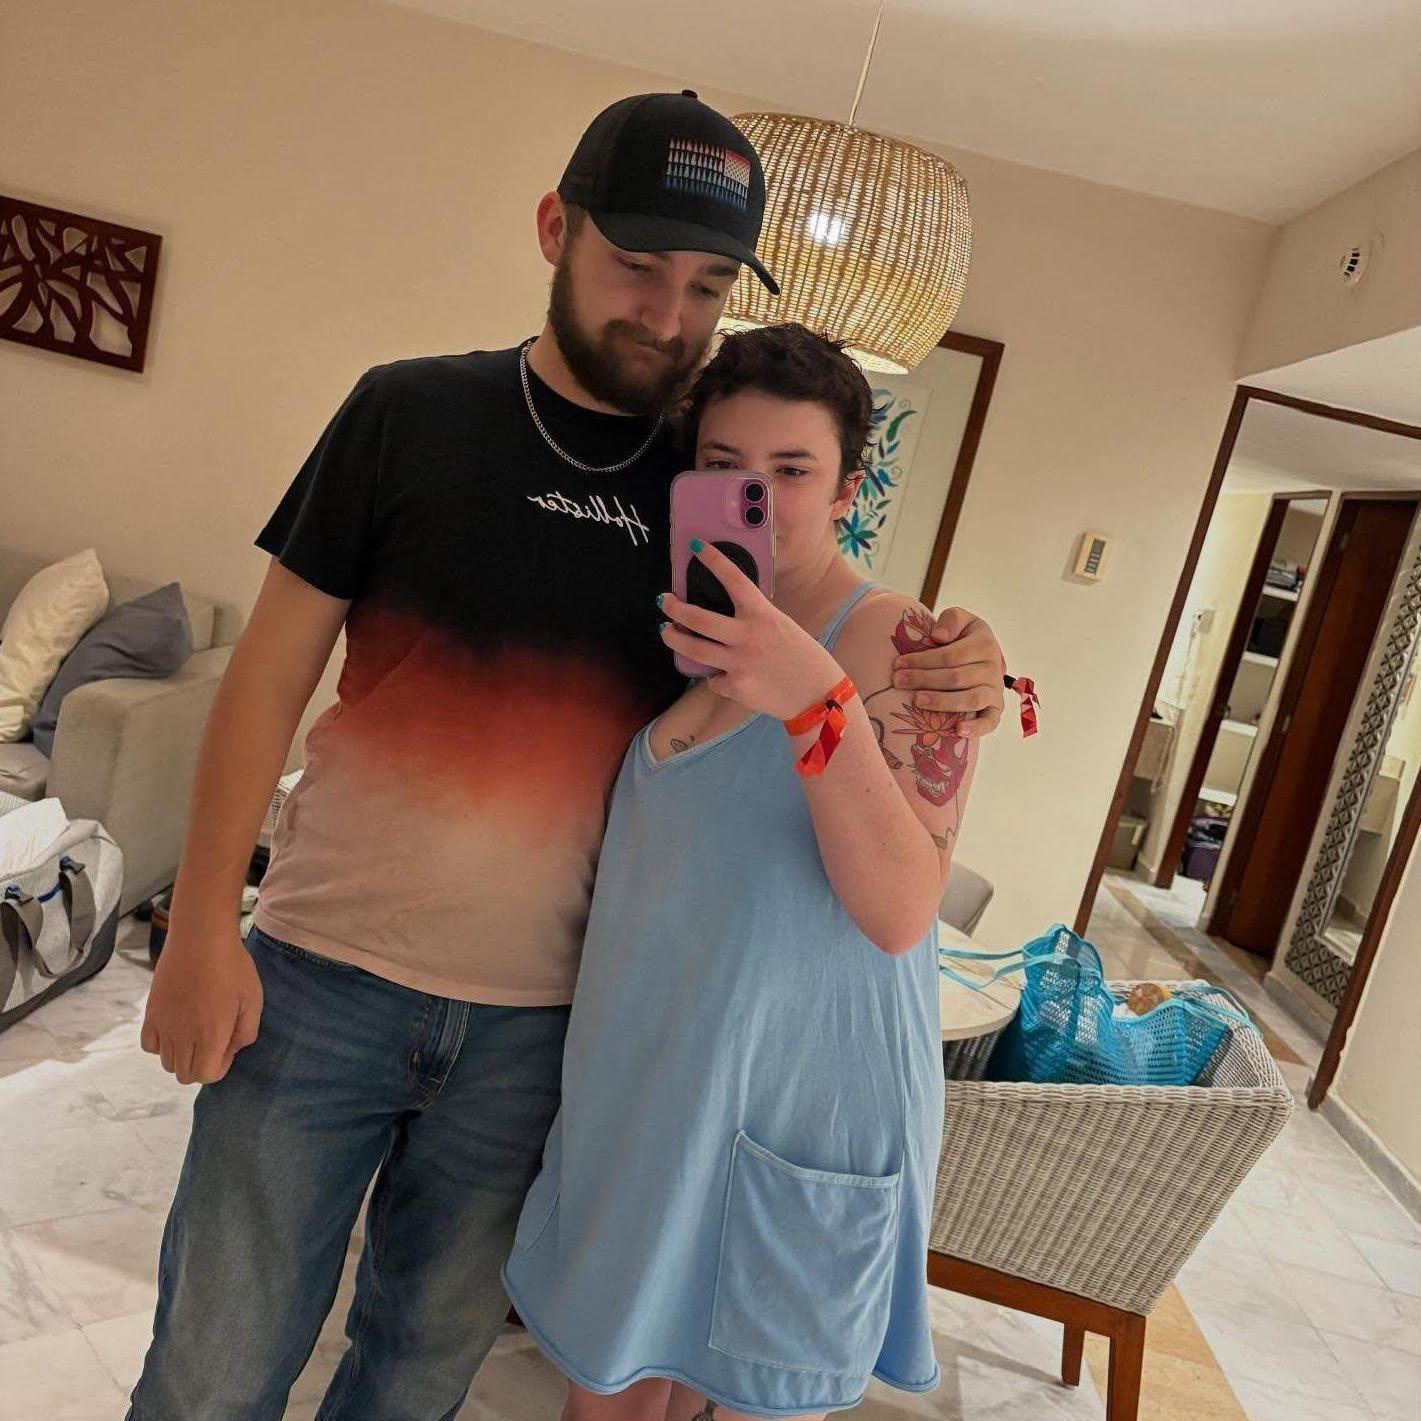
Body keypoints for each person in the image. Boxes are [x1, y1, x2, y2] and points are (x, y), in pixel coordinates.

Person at [128, 92, 1006, 1420]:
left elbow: (828, 621)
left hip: (544, 1027)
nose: (665, 311)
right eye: (635, 264)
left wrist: (968, 663)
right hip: (322, 974)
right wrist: (202, 924)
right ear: (555, 229)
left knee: (421, 1370)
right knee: (214, 1357)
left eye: (705, 284)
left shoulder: (706, 491)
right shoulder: (407, 411)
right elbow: (264, 679)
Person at [503, 323, 971, 1421]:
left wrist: (814, 698)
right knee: (610, 1391)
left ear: (848, 488)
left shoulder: (900, 645)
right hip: (652, 1090)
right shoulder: (685, 628)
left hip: (797, 1102)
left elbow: (901, 907)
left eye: (791, 470)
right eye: (724, 465)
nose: (755, 495)